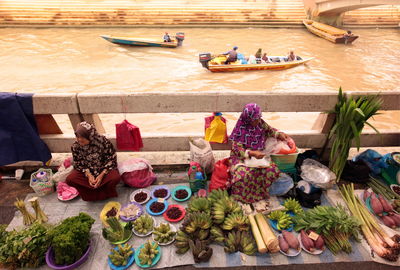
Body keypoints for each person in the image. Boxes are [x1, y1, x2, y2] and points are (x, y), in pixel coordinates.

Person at [227, 103, 289, 204]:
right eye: (255, 119)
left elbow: (270, 130)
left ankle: (261, 194)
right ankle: (244, 198)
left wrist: (279, 135)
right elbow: (237, 149)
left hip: (259, 155)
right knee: (244, 175)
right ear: (248, 119)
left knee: (272, 170)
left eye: (259, 117)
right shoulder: (240, 129)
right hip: (241, 157)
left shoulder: (260, 123)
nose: (258, 121)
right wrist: (251, 153)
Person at [66, 121, 121, 201]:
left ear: (90, 137)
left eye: (83, 138)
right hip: (87, 172)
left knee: (115, 177)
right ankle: (93, 190)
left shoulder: (103, 142)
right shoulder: (76, 146)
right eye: (77, 137)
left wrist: (101, 175)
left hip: (104, 171)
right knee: (70, 179)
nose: (79, 140)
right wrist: (89, 175)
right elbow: (78, 163)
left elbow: (111, 159)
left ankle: (99, 190)